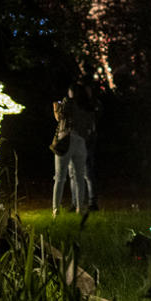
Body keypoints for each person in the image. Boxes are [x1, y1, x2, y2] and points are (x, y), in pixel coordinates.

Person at [52, 84, 94, 218]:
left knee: (60, 177)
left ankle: (56, 210)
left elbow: (59, 117)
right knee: (79, 178)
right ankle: (79, 208)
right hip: (80, 142)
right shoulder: (87, 106)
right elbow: (90, 126)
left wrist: (58, 105)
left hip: (65, 139)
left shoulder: (67, 104)